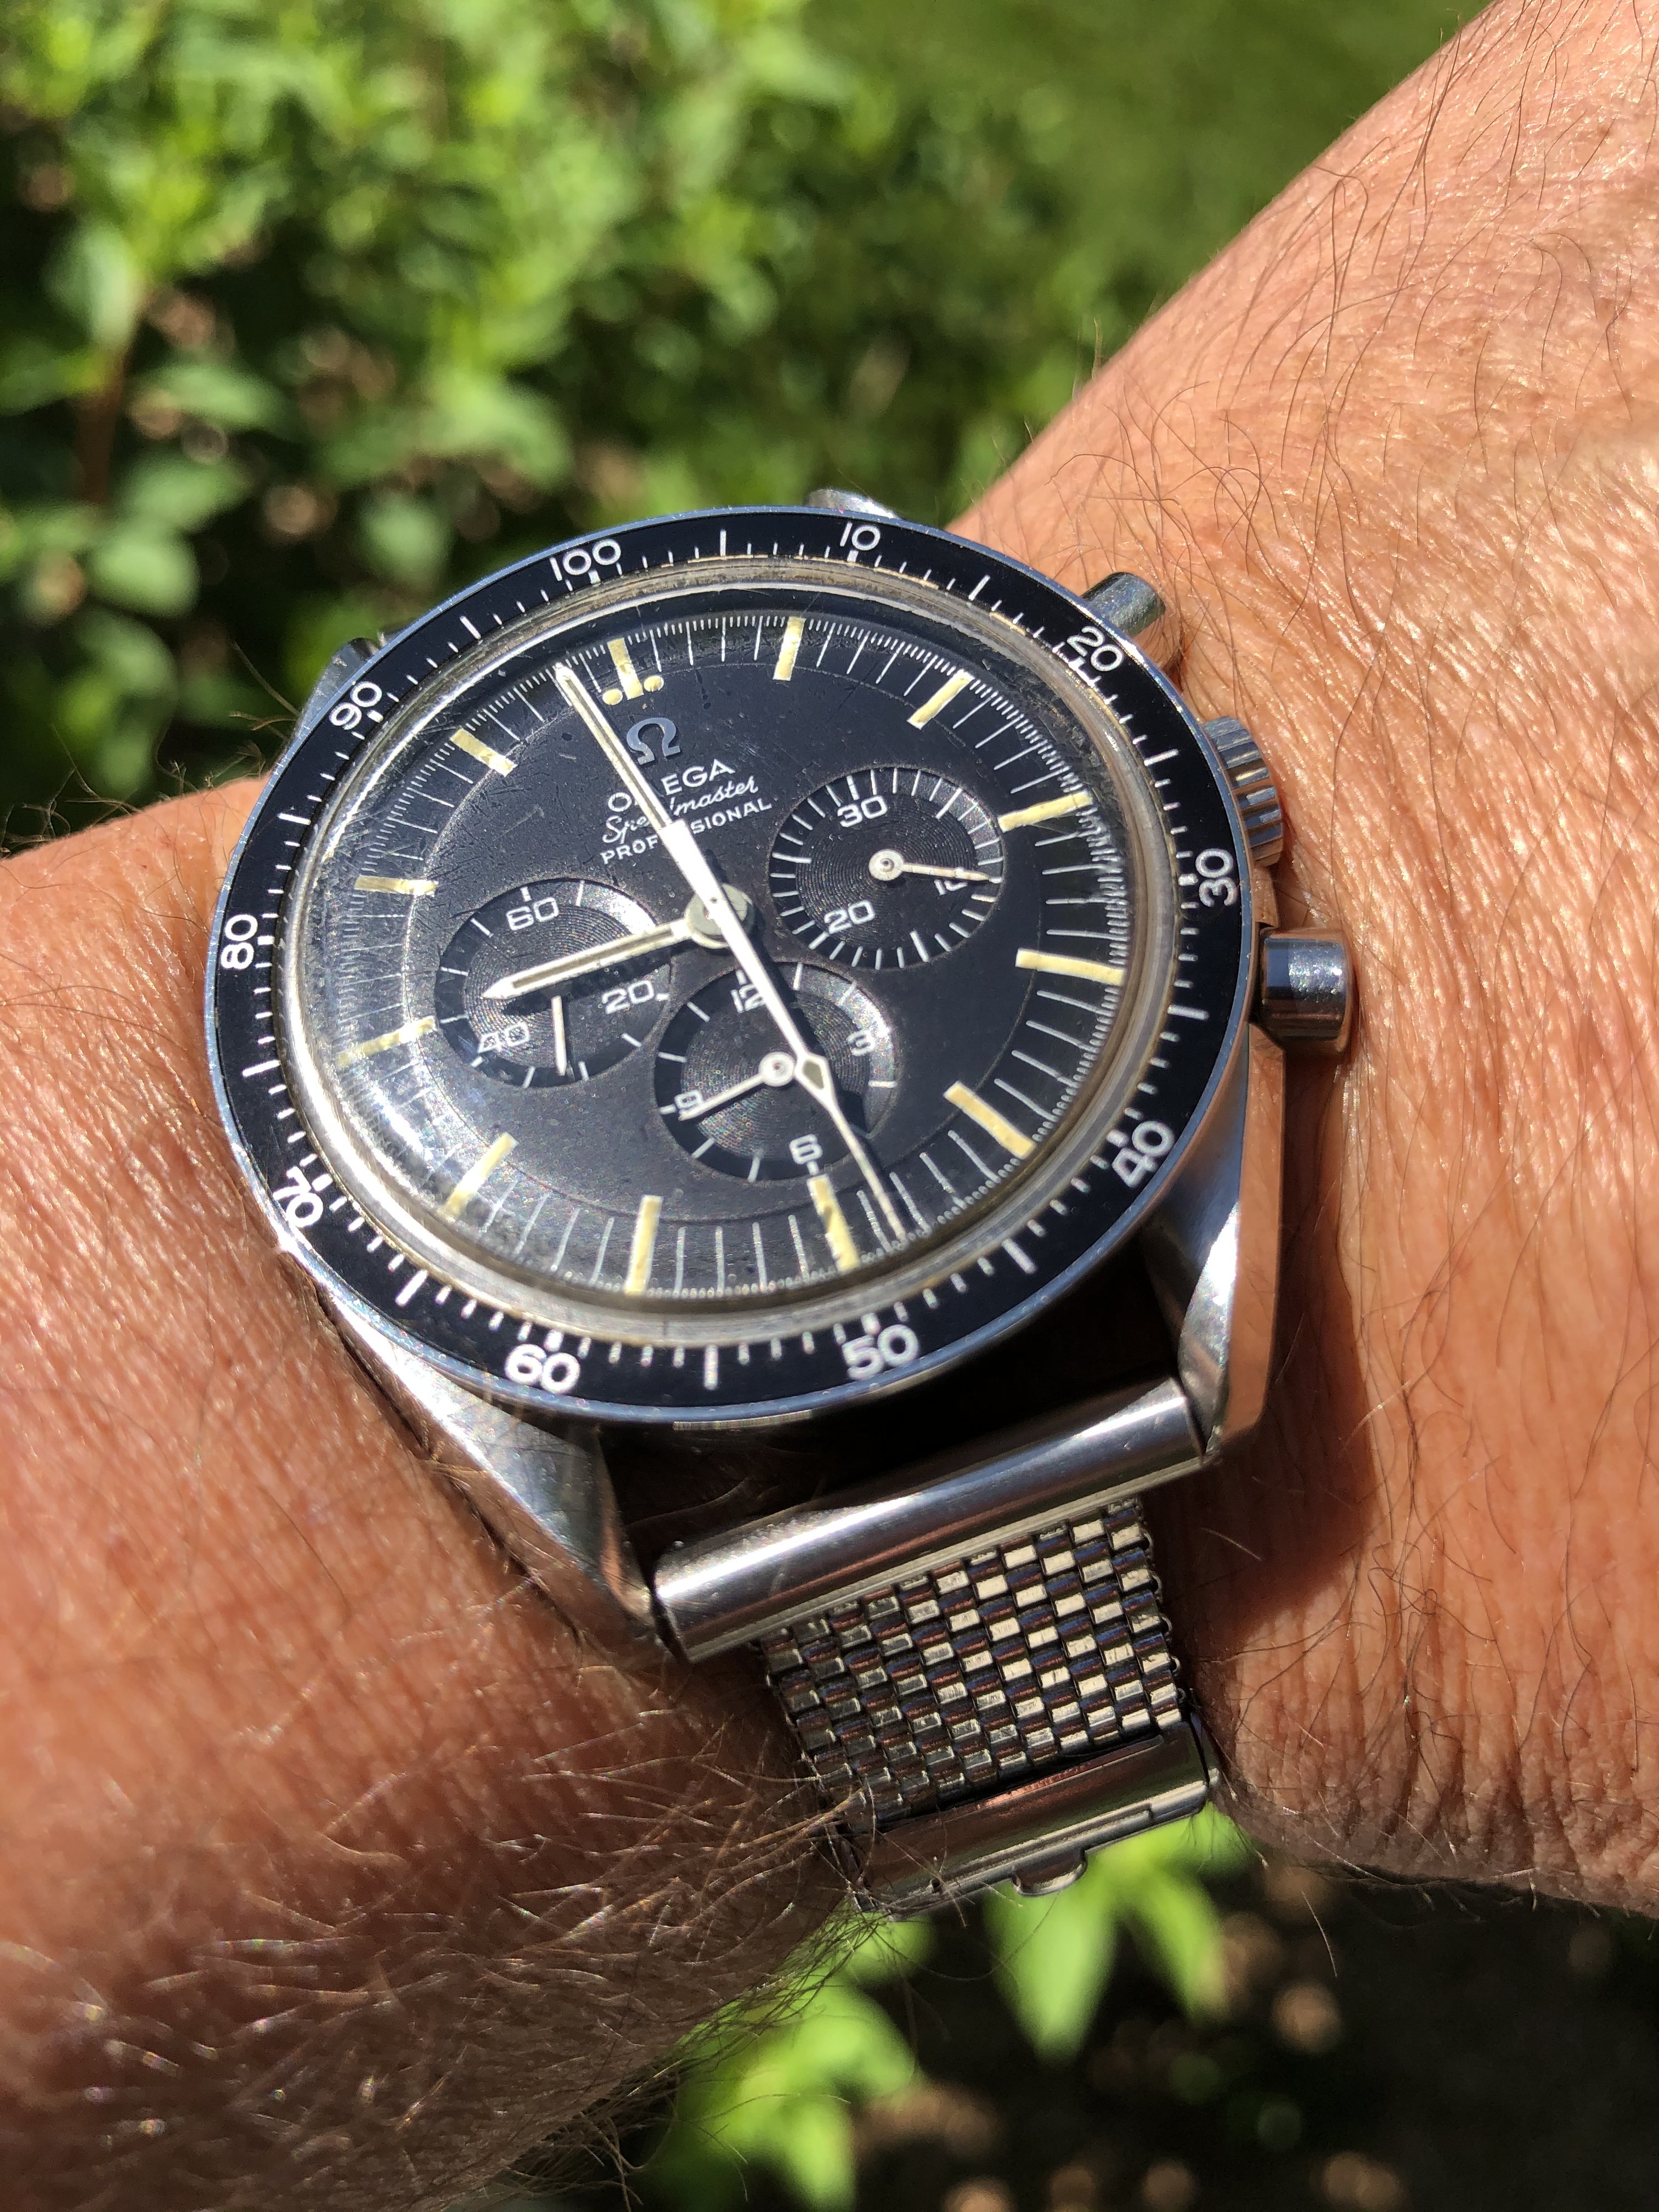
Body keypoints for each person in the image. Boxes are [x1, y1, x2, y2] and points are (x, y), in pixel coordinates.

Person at [3, 0, 1656, 2199]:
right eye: (645, 923)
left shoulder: (1169, 1225)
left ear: (1226, 831)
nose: (705, 921)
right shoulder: (574, 1430)